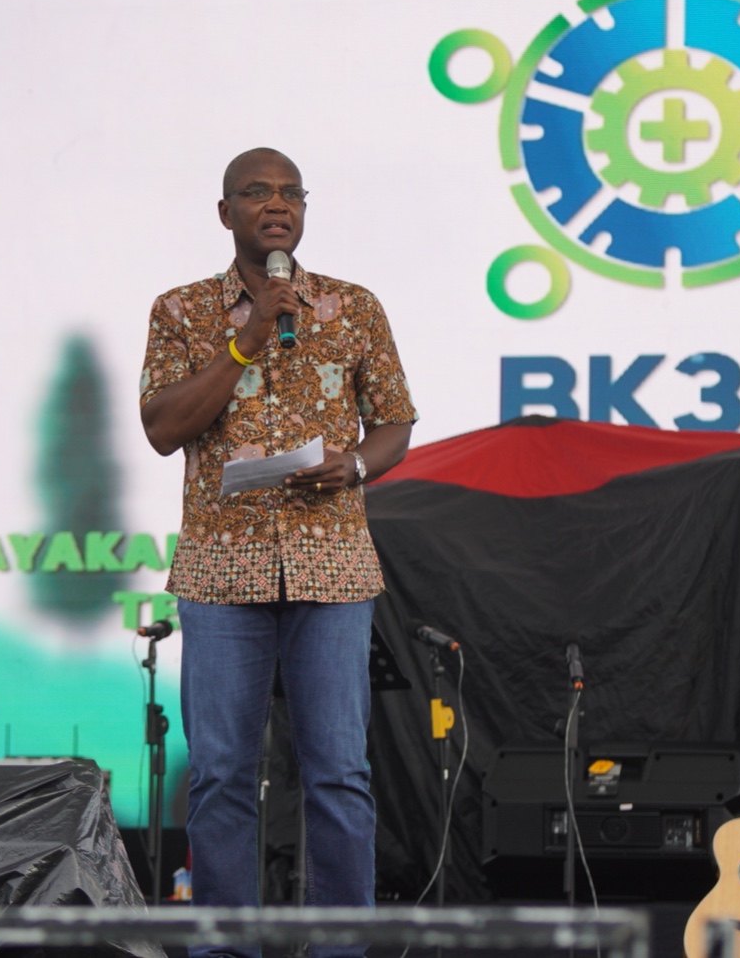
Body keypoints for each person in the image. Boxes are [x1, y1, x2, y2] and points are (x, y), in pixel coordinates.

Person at [140, 147, 416, 955]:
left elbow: (395, 421)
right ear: (225, 212)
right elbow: (162, 429)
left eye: (291, 193)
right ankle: (225, 945)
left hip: (333, 564)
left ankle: (339, 947)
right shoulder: (182, 310)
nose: (277, 205)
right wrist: (248, 337)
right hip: (221, 572)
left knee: (339, 773)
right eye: (257, 192)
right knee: (222, 773)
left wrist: (354, 464)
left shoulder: (354, 307)